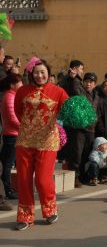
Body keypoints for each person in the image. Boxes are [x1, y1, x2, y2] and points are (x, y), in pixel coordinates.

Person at [14, 58, 68, 230]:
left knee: (43, 180)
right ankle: (25, 216)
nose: (39, 75)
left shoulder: (58, 91)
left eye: (43, 72)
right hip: (25, 140)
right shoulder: (22, 90)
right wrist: (29, 127)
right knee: (23, 179)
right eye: (36, 72)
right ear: (31, 74)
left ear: (48, 73)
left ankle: (50, 209)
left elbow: (68, 109)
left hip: (47, 141)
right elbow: (18, 111)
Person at [60, 60, 94, 188]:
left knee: (84, 152)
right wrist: (69, 77)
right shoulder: (70, 81)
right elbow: (63, 89)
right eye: (81, 68)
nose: (81, 71)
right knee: (76, 152)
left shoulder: (79, 82)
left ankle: (82, 175)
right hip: (75, 123)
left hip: (85, 123)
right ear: (74, 68)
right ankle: (74, 177)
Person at [0, 73, 23, 200]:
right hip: (12, 135)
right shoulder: (9, 97)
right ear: (12, 85)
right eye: (19, 83)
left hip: (14, 135)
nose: (22, 85)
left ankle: (8, 188)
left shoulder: (13, 96)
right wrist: (25, 128)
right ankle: (7, 190)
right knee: (8, 164)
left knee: (7, 163)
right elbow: (12, 119)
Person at [95, 80, 107, 147]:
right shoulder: (99, 101)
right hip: (104, 132)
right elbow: (98, 117)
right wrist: (103, 130)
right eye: (105, 86)